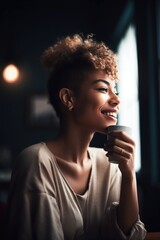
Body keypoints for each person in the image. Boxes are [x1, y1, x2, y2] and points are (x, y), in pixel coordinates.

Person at [5, 34, 146, 240]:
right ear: (68, 98)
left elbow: (128, 236)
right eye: (103, 89)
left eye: (114, 90)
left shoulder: (111, 165)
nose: (116, 100)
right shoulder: (35, 162)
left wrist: (128, 176)